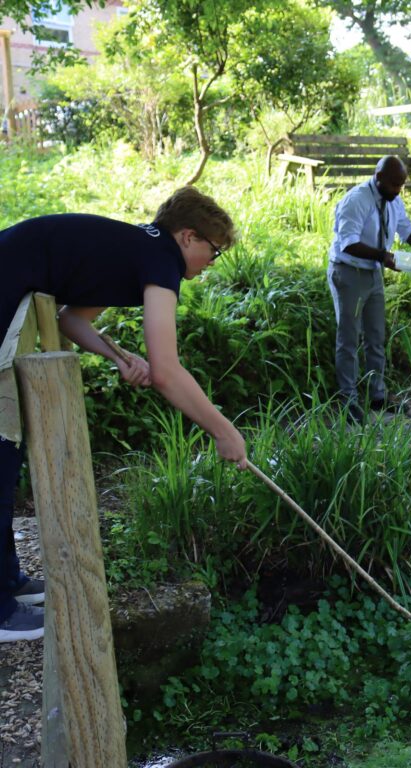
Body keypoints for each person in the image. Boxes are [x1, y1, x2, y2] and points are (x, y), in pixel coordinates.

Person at [0, 186, 247, 643]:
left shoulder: (137, 248)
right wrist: (223, 431)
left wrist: (118, 356)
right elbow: (168, 372)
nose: (212, 263)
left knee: (6, 450)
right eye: (214, 251)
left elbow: (72, 320)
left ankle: (8, 579)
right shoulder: (162, 260)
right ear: (188, 237)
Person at [327, 155, 411, 421]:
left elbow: (406, 229)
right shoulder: (357, 200)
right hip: (348, 272)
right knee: (349, 338)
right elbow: (348, 243)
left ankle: (377, 395)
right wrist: (383, 256)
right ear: (379, 177)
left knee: (376, 336)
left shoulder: (393, 200)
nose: (398, 190)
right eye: (394, 184)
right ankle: (349, 400)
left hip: (373, 272)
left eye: (401, 184)